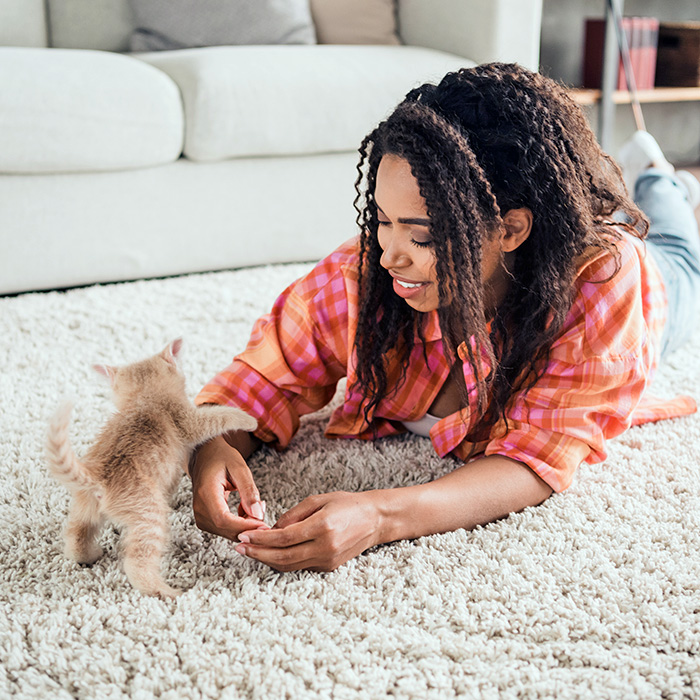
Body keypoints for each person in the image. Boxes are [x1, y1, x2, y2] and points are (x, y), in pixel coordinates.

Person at [188, 63, 700, 573]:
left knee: (681, 254)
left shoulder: (601, 279)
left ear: (512, 229)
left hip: (657, 301)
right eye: (382, 222)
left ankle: (660, 177)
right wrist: (210, 448)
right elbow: (258, 378)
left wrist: (381, 515)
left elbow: (538, 457)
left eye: (423, 236)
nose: (391, 255)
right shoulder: (365, 274)